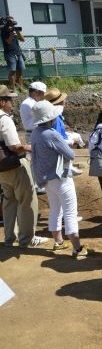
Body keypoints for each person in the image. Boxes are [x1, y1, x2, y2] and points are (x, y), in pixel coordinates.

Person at [30, 100, 88, 257]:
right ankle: (77, 248)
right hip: (60, 178)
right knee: (70, 212)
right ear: (50, 118)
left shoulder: (35, 133)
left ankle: (59, 242)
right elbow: (70, 154)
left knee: (55, 209)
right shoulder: (52, 134)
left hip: (46, 179)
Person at [0, 85, 47, 248]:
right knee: (27, 200)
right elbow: (14, 146)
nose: (12, 102)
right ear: (2, 102)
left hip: (1, 168)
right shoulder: (4, 119)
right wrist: (32, 147)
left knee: (9, 200)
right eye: (9, 100)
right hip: (14, 165)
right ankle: (27, 238)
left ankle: (9, 238)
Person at [19, 81, 47, 195]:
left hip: (34, 133)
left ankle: (38, 184)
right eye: (42, 93)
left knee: (37, 159)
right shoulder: (28, 103)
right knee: (36, 160)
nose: (42, 96)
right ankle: (37, 185)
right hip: (33, 133)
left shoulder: (30, 102)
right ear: (36, 92)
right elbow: (42, 115)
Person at [1, 16, 26, 90]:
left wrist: (17, 32)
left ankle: (21, 87)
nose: (12, 24)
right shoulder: (4, 31)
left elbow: (22, 39)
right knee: (13, 71)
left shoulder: (14, 30)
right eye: (10, 22)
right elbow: (8, 41)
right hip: (9, 53)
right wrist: (12, 33)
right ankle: (13, 89)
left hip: (18, 53)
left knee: (20, 71)